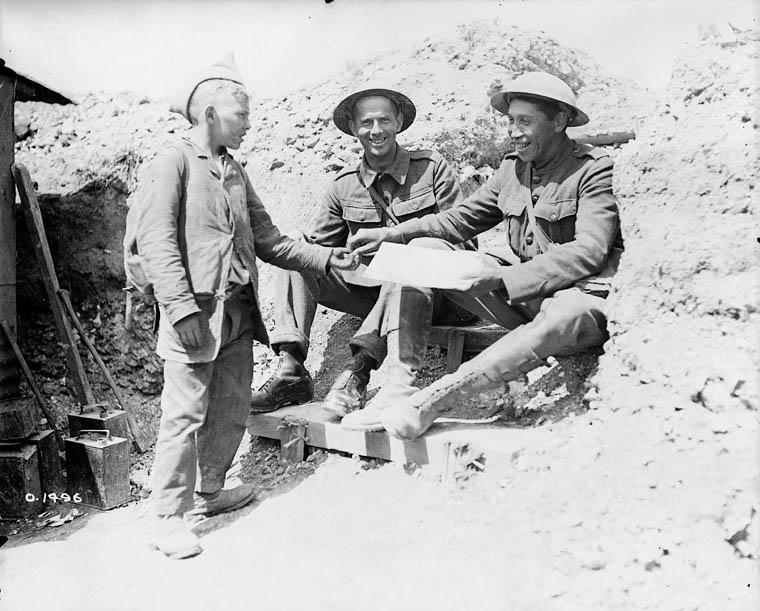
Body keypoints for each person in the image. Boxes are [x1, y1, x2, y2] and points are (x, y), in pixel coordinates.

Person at [132, 54, 356, 559]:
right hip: (192, 312)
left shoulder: (233, 169)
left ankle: (209, 493)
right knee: (184, 415)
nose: (251, 123)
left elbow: (270, 240)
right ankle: (167, 517)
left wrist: (328, 258)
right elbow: (156, 242)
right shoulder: (172, 162)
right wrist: (182, 310)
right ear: (209, 114)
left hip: (235, 311)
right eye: (242, 114)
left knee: (231, 404)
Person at [345, 71, 624, 437]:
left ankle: (431, 402)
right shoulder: (513, 168)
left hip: (579, 302)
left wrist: (504, 278)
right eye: (511, 120)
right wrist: (395, 233)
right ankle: (398, 388)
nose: (513, 131)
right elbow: (459, 220)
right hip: (528, 300)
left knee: (564, 314)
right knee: (422, 251)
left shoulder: (592, 169)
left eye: (525, 121)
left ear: (559, 121)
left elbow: (590, 250)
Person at [250, 87, 474, 419]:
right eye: (366, 122)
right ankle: (291, 368)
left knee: (407, 258)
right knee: (296, 249)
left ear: (399, 122)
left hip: (438, 295)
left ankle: (360, 368)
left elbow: (465, 240)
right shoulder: (344, 185)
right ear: (354, 128)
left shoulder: (431, 168)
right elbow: (320, 251)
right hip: (372, 293)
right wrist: (344, 256)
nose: (376, 130)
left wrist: (400, 242)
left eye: (384, 120)